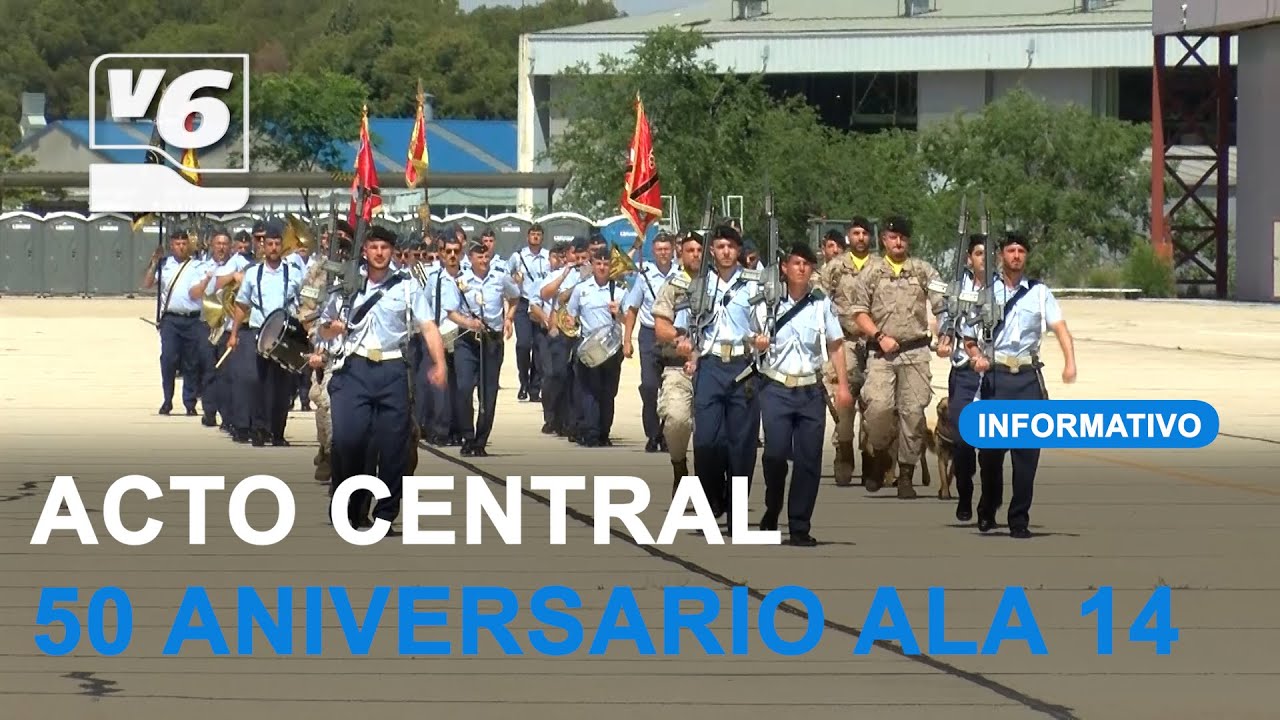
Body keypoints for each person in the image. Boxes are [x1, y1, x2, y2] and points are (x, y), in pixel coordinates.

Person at [319, 224, 447, 532]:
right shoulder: (347, 285)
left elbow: (428, 326)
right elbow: (322, 328)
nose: (379, 253)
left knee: (393, 450)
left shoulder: (407, 286)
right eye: (373, 247)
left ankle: (385, 515)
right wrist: (333, 328)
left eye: (384, 247)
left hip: (391, 370)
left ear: (392, 252)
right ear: (364, 251)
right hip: (353, 370)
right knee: (349, 443)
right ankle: (347, 506)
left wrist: (439, 362)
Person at [961, 231, 1077, 538]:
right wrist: (976, 358)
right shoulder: (986, 292)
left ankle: (1019, 519)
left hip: (1027, 379)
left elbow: (1061, 329)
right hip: (996, 378)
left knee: (1027, 456)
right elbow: (968, 336)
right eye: (1011, 250)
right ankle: (987, 507)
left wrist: (1070, 362)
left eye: (1021, 251)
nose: (1016, 255)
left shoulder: (1040, 293)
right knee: (990, 454)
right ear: (1001, 255)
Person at [653, 224, 761, 530]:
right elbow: (670, 325)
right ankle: (710, 501)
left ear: (738, 251)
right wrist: (683, 341)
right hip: (708, 365)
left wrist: (762, 340)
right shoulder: (697, 286)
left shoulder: (753, 285)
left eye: (731, 246)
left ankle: (736, 510)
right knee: (707, 441)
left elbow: (764, 322)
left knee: (740, 445)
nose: (725, 252)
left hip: (742, 364)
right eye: (720, 246)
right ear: (713, 252)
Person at [753, 242, 854, 545]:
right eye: (796, 263)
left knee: (809, 460)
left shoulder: (821, 303)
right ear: (784, 268)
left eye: (807, 264)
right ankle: (773, 506)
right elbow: (751, 336)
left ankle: (799, 525)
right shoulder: (767, 302)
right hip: (776, 388)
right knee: (775, 455)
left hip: (810, 389)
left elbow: (836, 344)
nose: (801, 268)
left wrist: (844, 386)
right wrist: (756, 343)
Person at [849, 216, 945, 498]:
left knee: (913, 414)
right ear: (884, 240)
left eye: (902, 237)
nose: (898, 241)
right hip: (882, 353)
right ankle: (880, 454)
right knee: (877, 408)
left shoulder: (924, 271)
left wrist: (944, 335)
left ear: (909, 240)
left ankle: (906, 473)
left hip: (915, 352)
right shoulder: (871, 273)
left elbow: (942, 307)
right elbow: (859, 312)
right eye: (893, 237)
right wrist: (879, 336)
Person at [229, 220, 303, 447]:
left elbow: (305, 303)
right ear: (262, 246)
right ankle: (259, 429)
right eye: (268, 244)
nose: (272, 248)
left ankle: (278, 432)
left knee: (282, 387)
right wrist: (233, 333)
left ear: (281, 246)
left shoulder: (293, 273)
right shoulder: (253, 274)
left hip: (284, 336)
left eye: (276, 244)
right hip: (258, 333)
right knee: (257, 383)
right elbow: (241, 305)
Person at [443, 241, 519, 456]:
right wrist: (468, 323)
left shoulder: (500, 278)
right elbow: (451, 311)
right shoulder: (460, 281)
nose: (484, 261)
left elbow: (515, 298)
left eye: (486, 257)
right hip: (467, 340)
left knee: (488, 393)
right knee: (464, 388)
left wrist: (509, 318)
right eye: (479, 257)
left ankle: (480, 440)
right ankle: (467, 435)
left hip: (491, 340)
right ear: (470, 258)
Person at [935, 233, 988, 522]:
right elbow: (946, 318)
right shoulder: (957, 288)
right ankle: (965, 492)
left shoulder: (1004, 288)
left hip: (993, 373)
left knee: (992, 446)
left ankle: (988, 504)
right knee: (964, 442)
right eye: (979, 253)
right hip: (965, 371)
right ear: (969, 258)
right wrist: (944, 339)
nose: (984, 258)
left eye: (989, 253)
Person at [825, 217, 875, 485]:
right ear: (848, 236)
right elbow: (819, 302)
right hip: (845, 341)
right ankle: (843, 450)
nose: (860, 238)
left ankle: (871, 456)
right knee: (845, 401)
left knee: (874, 403)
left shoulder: (880, 267)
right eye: (855, 233)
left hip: (875, 343)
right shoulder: (835, 268)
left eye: (865, 233)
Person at [621, 231, 681, 453]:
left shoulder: (681, 275)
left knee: (672, 389)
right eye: (659, 249)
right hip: (649, 335)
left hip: (675, 334)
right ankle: (652, 433)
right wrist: (627, 340)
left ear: (673, 249)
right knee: (649, 386)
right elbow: (632, 309)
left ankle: (666, 434)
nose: (663, 253)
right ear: (653, 251)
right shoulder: (644, 275)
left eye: (667, 248)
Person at [654, 232, 703, 493]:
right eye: (690, 250)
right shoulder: (673, 285)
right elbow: (660, 328)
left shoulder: (718, 284)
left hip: (713, 365)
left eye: (699, 250)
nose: (695, 254)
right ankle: (679, 465)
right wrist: (680, 337)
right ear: (680, 254)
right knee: (676, 420)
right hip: (678, 366)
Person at [141, 228, 208, 416]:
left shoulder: (197, 266)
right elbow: (147, 284)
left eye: (184, 243)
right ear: (171, 245)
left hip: (193, 319)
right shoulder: (164, 265)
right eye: (177, 244)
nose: (181, 247)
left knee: (191, 363)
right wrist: (154, 262)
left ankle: (189, 402)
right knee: (168, 359)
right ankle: (167, 399)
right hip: (171, 319)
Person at [567, 248, 629, 447]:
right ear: (592, 265)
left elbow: (628, 319)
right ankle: (591, 432)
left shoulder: (619, 291)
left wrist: (618, 313)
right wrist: (570, 323)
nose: (602, 267)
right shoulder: (581, 289)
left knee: (608, 392)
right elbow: (571, 315)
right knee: (590, 390)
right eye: (598, 263)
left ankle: (604, 432)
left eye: (606, 264)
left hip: (611, 349)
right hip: (589, 347)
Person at [507, 223, 550, 402]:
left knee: (540, 347)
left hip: (540, 305)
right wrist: (514, 280)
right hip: (524, 304)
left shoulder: (547, 257)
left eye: (538, 234)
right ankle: (523, 381)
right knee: (524, 344)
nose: (535, 237)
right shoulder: (517, 257)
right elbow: (507, 276)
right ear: (527, 236)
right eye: (532, 234)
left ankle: (535, 388)